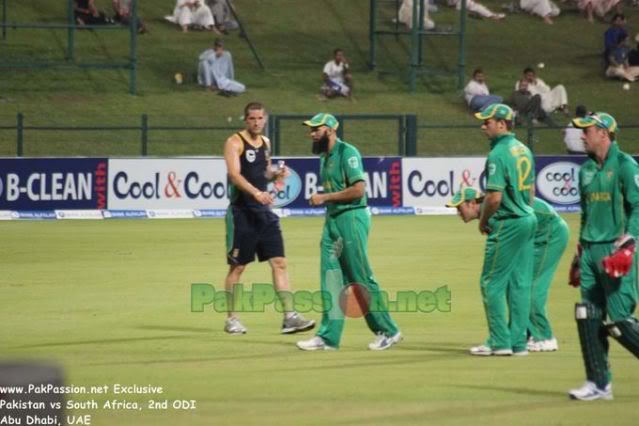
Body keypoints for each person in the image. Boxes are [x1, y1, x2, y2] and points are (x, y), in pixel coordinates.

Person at [296, 113, 402, 351]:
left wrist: (324, 197)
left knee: (359, 278)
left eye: (316, 129)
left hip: (351, 218)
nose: (311, 133)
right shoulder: (324, 157)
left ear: (331, 129)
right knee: (331, 278)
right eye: (310, 129)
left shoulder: (348, 153)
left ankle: (389, 331)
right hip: (332, 220)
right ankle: (328, 338)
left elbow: (358, 190)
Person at [222, 102, 315, 335]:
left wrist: (275, 175)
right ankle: (231, 319)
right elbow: (234, 174)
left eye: (260, 118)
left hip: (264, 212)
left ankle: (290, 317)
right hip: (242, 212)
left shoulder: (266, 143)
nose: (256, 122)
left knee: (280, 262)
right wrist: (256, 193)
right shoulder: (234, 142)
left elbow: (263, 173)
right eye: (252, 118)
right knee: (238, 267)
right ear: (246, 120)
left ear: (265, 119)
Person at [568, 112, 639, 401]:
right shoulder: (584, 169)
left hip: (615, 250)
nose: (582, 136)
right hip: (589, 251)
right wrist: (580, 250)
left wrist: (630, 242)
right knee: (588, 315)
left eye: (588, 131)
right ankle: (599, 383)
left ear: (604, 134)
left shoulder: (625, 165)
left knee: (621, 321)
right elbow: (586, 212)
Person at [447, 187, 568, 352]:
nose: (458, 213)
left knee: (530, 286)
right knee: (516, 284)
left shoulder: (492, 210)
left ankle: (544, 337)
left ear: (472, 203)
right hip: (534, 233)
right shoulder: (489, 211)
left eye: (459, 207)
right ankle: (520, 335)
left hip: (550, 234)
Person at [469, 103, 537, 356]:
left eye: (487, 122)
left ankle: (499, 341)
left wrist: (483, 221)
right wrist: (524, 210)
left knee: (491, 283)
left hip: (509, 222)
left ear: (502, 123)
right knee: (519, 284)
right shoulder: (524, 149)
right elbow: (531, 192)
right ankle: (518, 342)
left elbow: (494, 198)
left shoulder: (498, 153)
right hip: (528, 219)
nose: (483, 126)